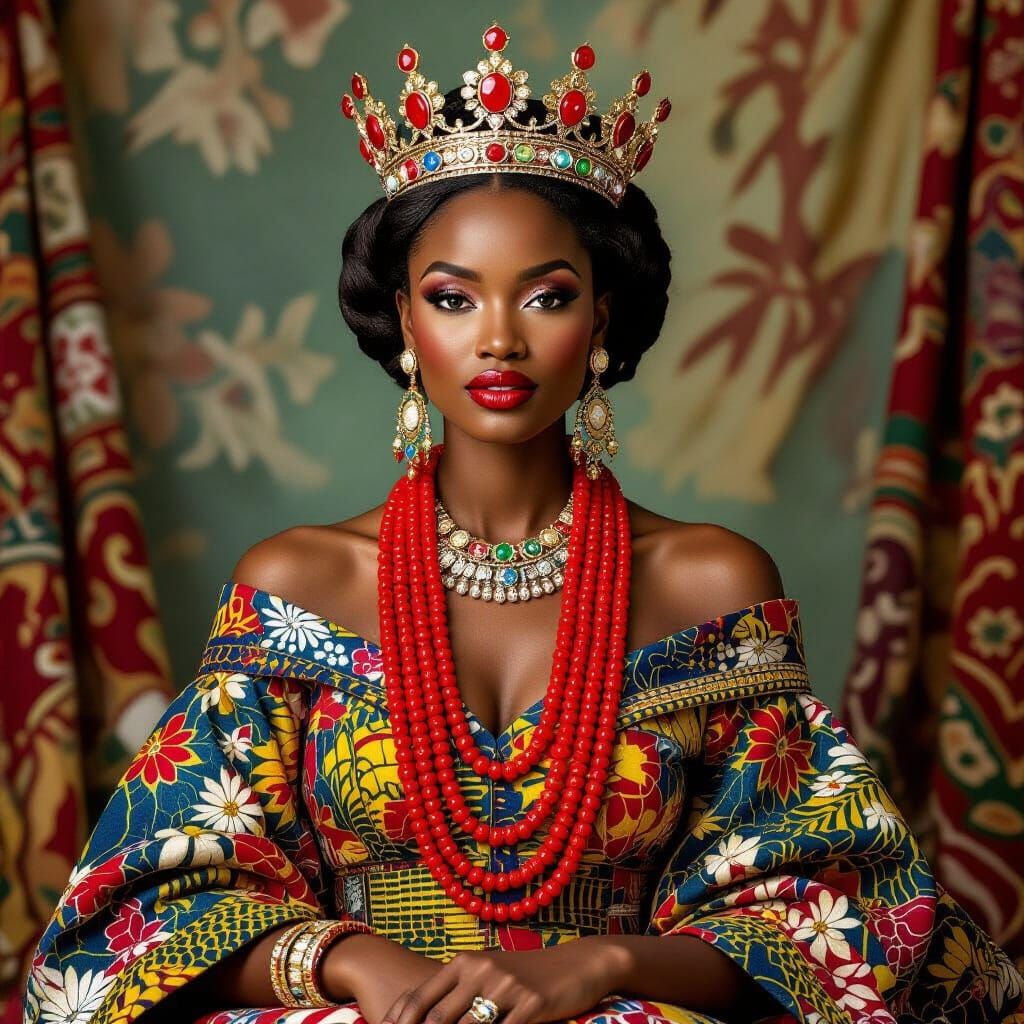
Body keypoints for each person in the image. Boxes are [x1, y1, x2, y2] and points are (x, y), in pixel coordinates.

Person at [24, 23, 1023, 1024]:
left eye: (545, 295)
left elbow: (829, 910)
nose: (498, 337)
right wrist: (351, 960)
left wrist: (601, 967)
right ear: (406, 323)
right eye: (453, 298)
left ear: (599, 317)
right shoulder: (299, 583)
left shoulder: (708, 581)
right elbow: (142, 908)